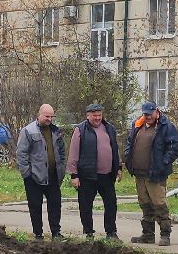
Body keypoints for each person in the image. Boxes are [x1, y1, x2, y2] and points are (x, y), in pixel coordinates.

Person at [124, 100, 178, 246]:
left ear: (156, 112)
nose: (148, 116)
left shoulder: (165, 126)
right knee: (144, 204)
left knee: (159, 204)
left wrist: (163, 162)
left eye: (150, 113)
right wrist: (128, 157)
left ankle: (165, 235)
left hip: (156, 173)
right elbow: (130, 143)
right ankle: (148, 234)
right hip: (139, 173)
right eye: (145, 114)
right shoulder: (137, 125)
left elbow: (175, 147)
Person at [66, 102, 121, 239]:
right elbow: (73, 153)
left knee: (111, 204)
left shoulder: (109, 128)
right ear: (88, 115)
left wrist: (118, 167)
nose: (97, 118)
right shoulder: (80, 130)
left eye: (99, 115)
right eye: (94, 115)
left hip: (107, 175)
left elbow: (115, 149)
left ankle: (111, 232)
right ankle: (88, 232)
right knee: (86, 206)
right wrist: (74, 175)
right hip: (87, 175)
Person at [14, 104, 64, 240]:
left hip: (53, 176)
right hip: (34, 177)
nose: (49, 119)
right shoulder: (28, 131)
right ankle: (38, 234)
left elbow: (61, 152)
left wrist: (61, 169)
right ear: (39, 115)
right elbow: (21, 154)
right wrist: (26, 174)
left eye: (51, 117)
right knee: (35, 206)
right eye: (47, 116)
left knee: (55, 205)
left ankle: (56, 233)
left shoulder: (56, 131)